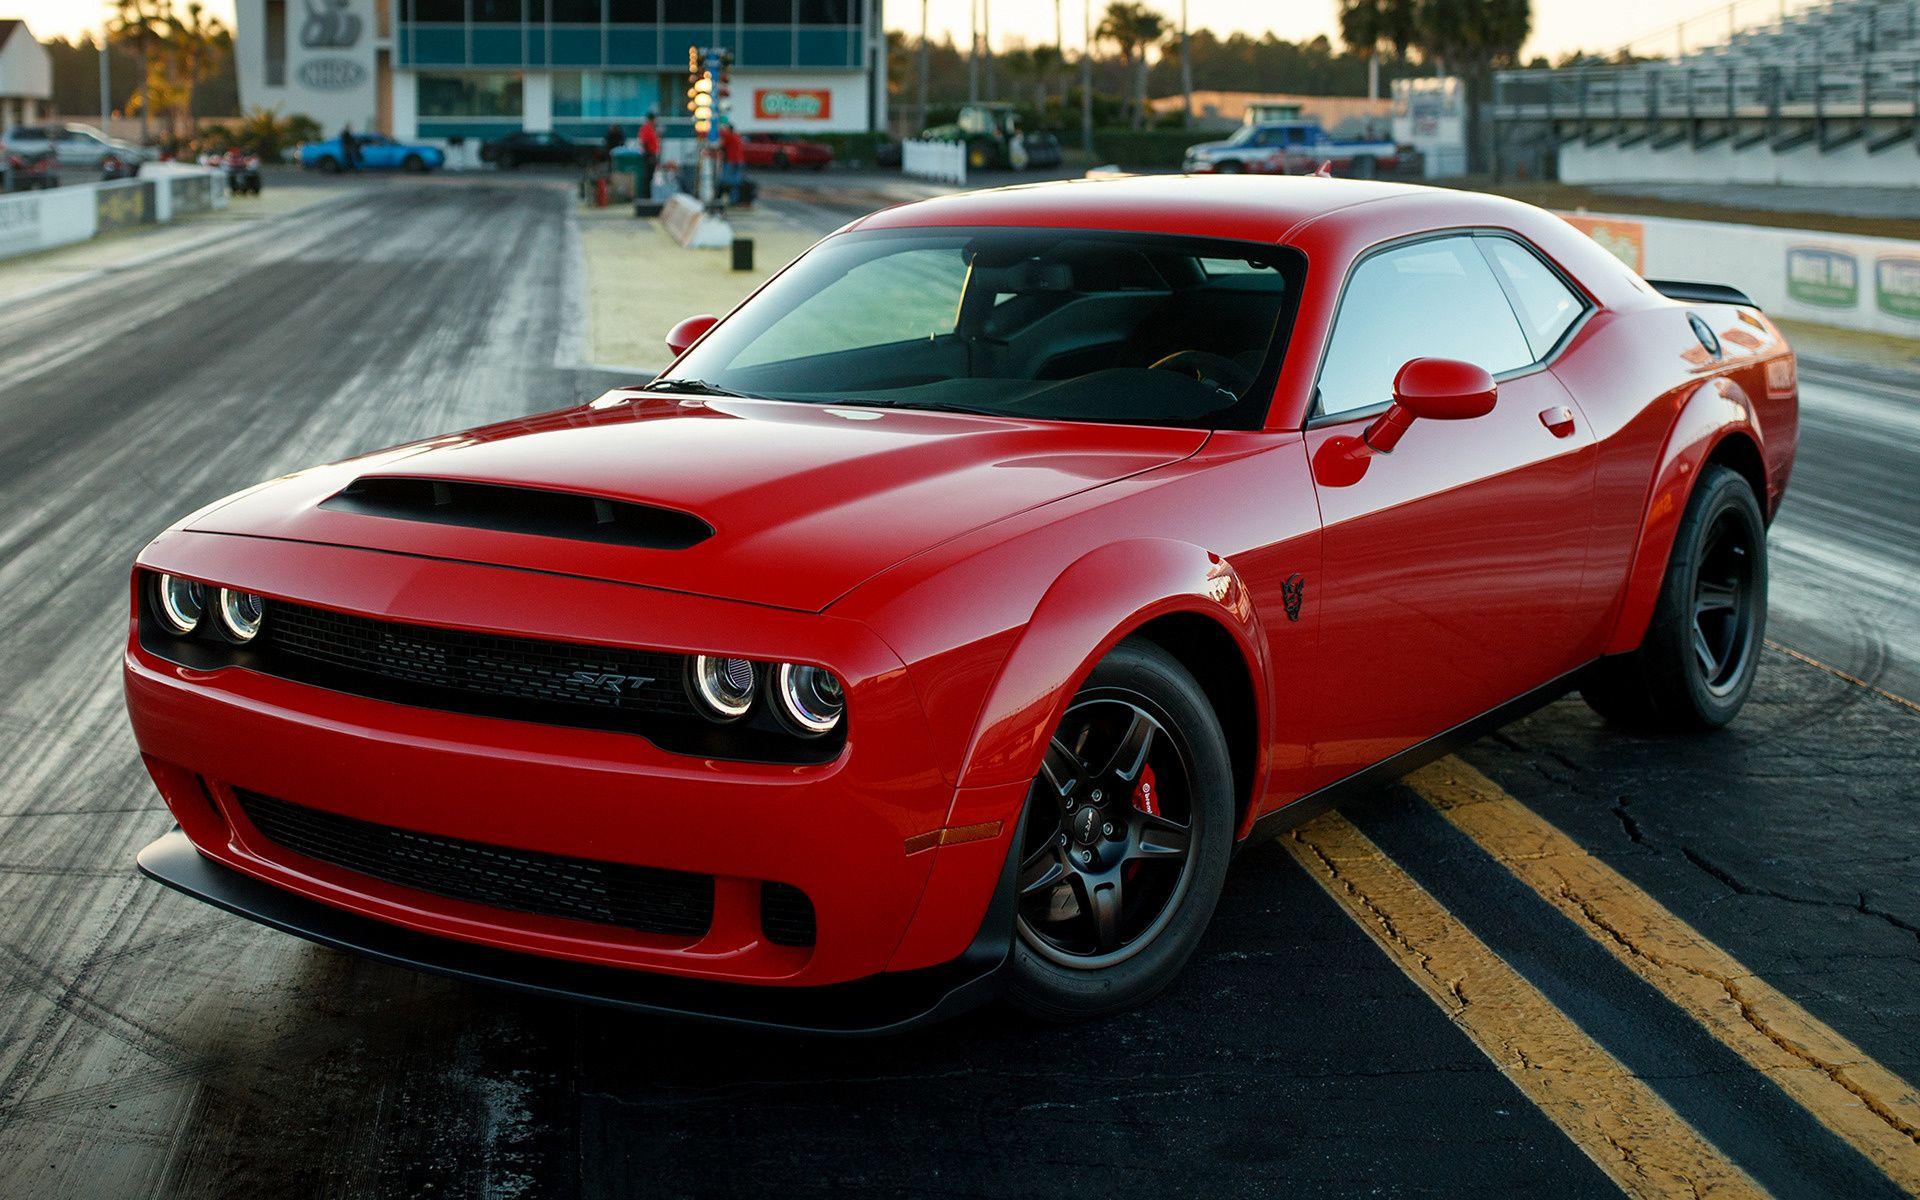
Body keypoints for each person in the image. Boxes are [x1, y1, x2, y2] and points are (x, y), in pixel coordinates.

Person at [719, 122, 746, 205]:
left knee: (725, 180)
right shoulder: (737, 136)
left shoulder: (728, 135)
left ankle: (725, 198)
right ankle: (734, 199)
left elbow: (720, 142)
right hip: (740, 160)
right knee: (736, 181)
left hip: (731, 160)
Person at [637, 112, 661, 200]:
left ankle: (648, 196)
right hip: (649, 155)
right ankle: (646, 197)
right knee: (647, 177)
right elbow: (644, 142)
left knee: (650, 177)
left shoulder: (651, 128)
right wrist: (649, 155)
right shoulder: (647, 128)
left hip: (652, 154)